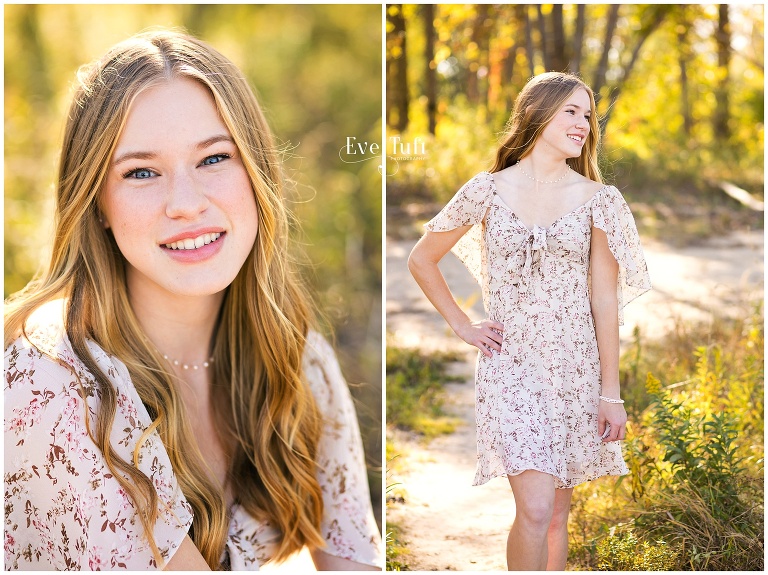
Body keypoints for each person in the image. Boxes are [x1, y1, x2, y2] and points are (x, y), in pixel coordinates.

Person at [4, 30, 382, 571]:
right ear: (97, 204)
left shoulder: (298, 360)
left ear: (256, 172)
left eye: (213, 159)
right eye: (141, 172)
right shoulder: (52, 380)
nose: (185, 204)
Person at [408, 72, 652, 570]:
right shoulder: (487, 190)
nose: (583, 123)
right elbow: (421, 258)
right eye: (571, 111)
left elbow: (604, 301)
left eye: (588, 115)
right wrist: (462, 324)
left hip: (576, 369)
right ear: (537, 113)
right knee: (536, 508)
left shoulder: (599, 201)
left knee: (557, 514)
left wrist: (611, 393)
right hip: (512, 367)